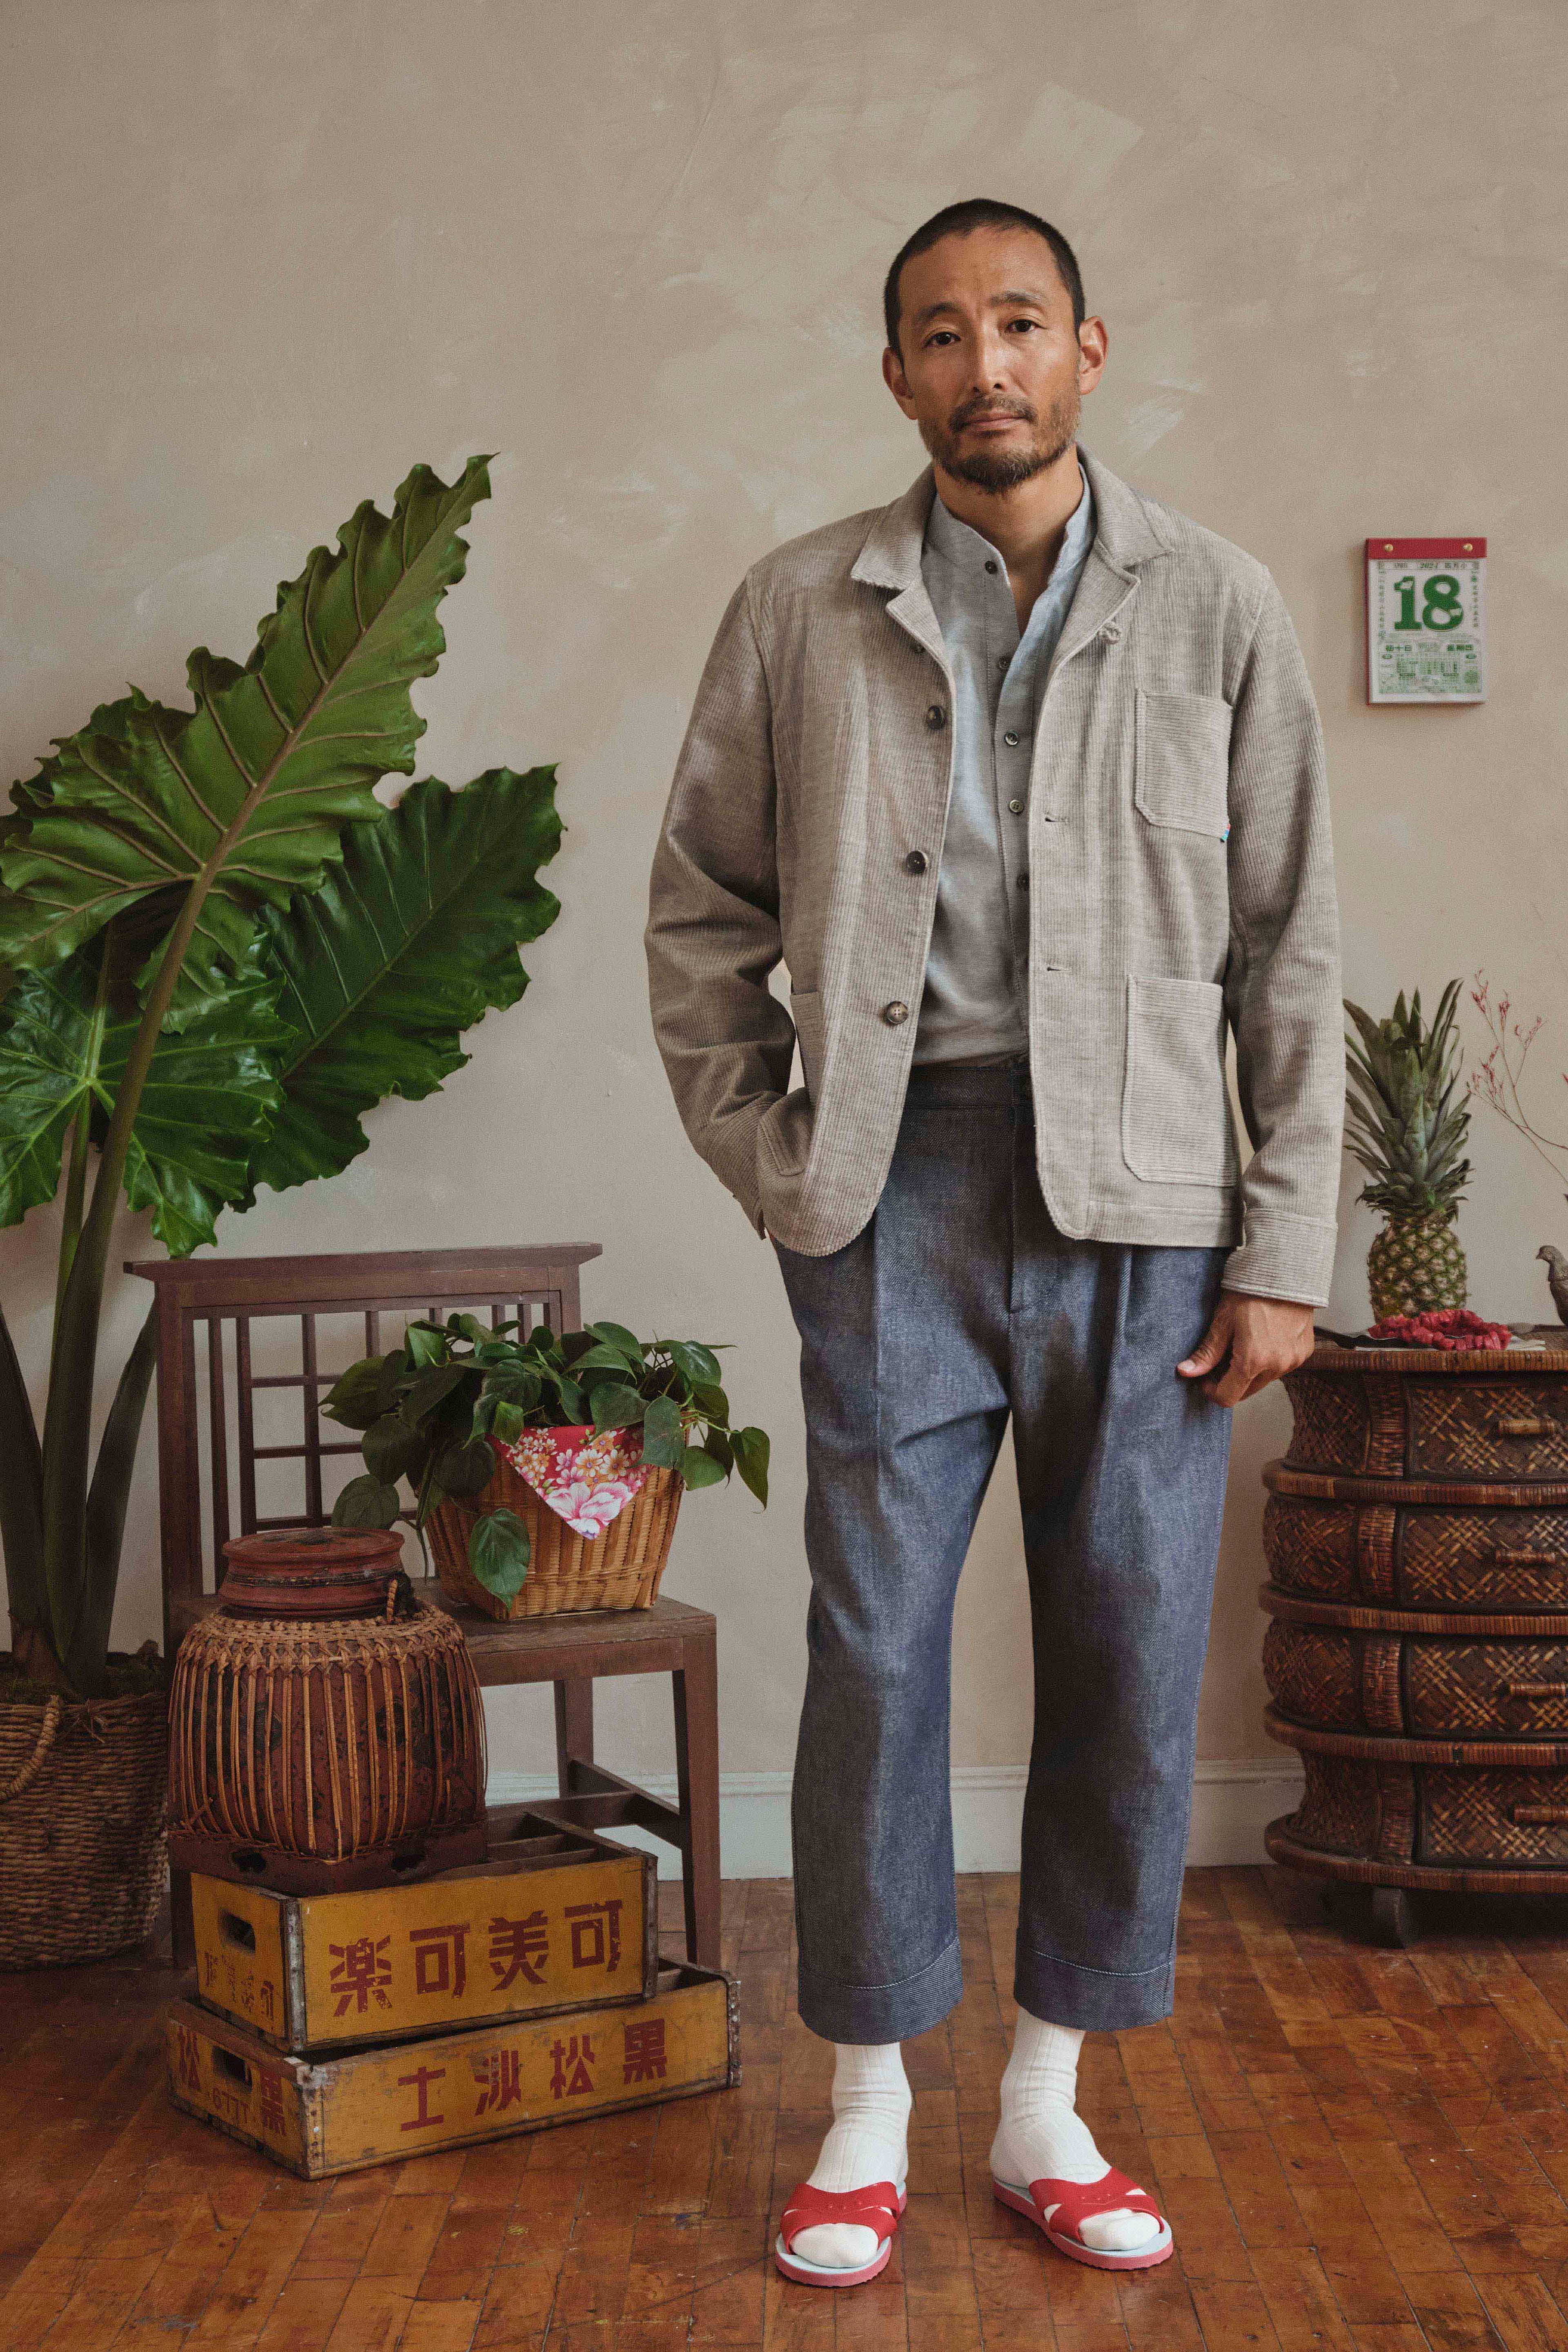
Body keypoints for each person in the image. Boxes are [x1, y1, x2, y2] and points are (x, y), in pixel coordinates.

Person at [644, 196, 1342, 2285]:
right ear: (896, 374)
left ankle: (1050, 2100)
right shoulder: (800, 610)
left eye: (1019, 323)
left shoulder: (1215, 606)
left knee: (1127, 1649)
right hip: (894, 1197)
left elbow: (1291, 939)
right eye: (941, 333)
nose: (986, 365)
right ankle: (862, 2112)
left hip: (1149, 1205)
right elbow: (699, 918)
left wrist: (1283, 1240)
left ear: (1091, 347)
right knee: (872, 1654)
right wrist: (786, 1169)